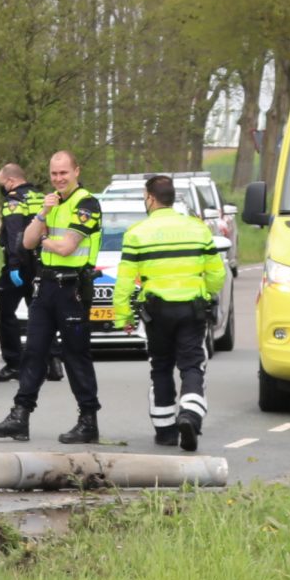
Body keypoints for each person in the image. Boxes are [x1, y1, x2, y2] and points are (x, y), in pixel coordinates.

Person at [0, 149, 102, 445]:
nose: (58, 178)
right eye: (54, 173)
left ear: (77, 171)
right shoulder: (52, 202)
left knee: (76, 356)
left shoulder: (86, 203)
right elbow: (25, 241)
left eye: (64, 173)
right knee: (34, 352)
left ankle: (88, 420)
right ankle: (19, 417)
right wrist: (42, 213)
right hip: (46, 287)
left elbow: (66, 248)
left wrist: (44, 239)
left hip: (72, 290)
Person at [109, 174, 226, 452]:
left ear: (150, 198)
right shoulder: (197, 229)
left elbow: (124, 281)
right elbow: (216, 273)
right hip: (191, 309)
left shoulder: (137, 233)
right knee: (192, 364)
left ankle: (165, 432)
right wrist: (206, 294)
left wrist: (123, 317)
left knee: (160, 366)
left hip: (157, 312)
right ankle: (190, 415)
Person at [0, 163, 46, 368]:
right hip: (41, 264)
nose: (3, 188)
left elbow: (16, 233)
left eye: (2, 184)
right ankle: (52, 361)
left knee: (3, 311)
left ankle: (14, 362)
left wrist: (14, 264)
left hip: (20, 265)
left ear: (11, 180)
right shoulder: (41, 197)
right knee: (42, 314)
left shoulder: (13, 200)